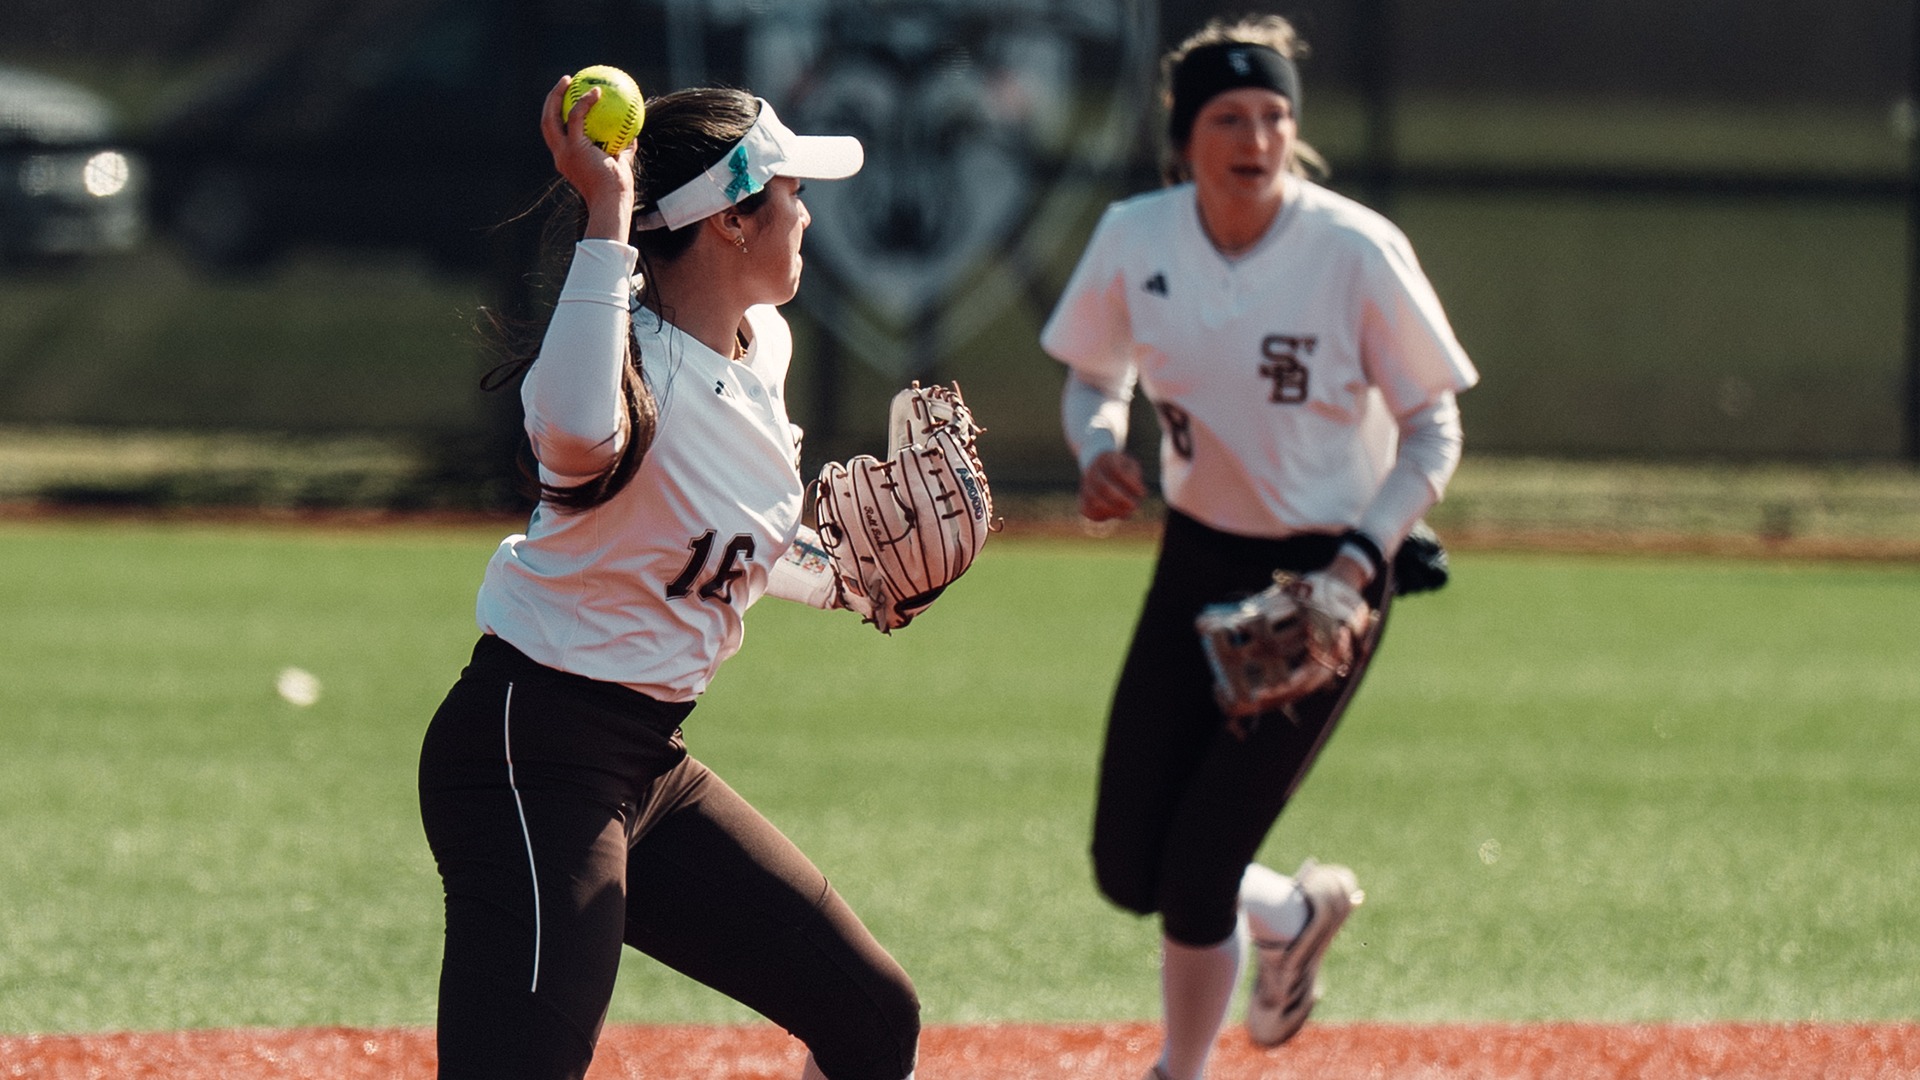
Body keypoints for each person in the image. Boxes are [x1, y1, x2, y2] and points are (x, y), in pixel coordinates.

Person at [417, 76, 920, 1080]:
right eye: (787, 192)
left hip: (647, 763)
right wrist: (607, 209)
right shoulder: (623, 365)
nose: (806, 213)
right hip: (533, 755)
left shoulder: (754, 351)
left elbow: (733, 548)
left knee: (873, 1018)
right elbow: (569, 427)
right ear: (731, 220)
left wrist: (859, 584)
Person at [1039, 14, 1479, 1080]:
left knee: (1193, 871)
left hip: (1326, 576)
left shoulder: (1353, 250)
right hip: (1195, 554)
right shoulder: (1138, 238)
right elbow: (1095, 374)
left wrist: (1358, 564)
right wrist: (1098, 443)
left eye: (1277, 116)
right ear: (1185, 135)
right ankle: (1290, 912)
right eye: (1230, 116)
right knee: (1125, 864)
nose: (1258, 137)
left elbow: (1434, 425)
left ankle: (1178, 1069)